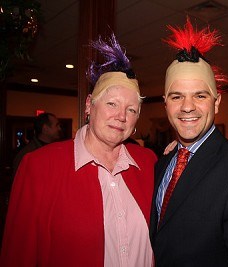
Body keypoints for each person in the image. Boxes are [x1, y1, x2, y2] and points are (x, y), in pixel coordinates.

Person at [1, 33, 156, 266]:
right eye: (112, 103)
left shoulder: (149, 162)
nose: (121, 116)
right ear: (89, 105)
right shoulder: (39, 166)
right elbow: (19, 255)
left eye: (131, 110)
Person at [149, 17, 228, 266]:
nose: (187, 107)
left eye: (199, 95)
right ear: (165, 103)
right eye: (177, 97)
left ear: (216, 102)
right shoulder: (163, 163)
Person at [12, 112, 62, 177]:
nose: (59, 128)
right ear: (45, 129)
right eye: (56, 125)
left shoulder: (57, 150)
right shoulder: (27, 154)